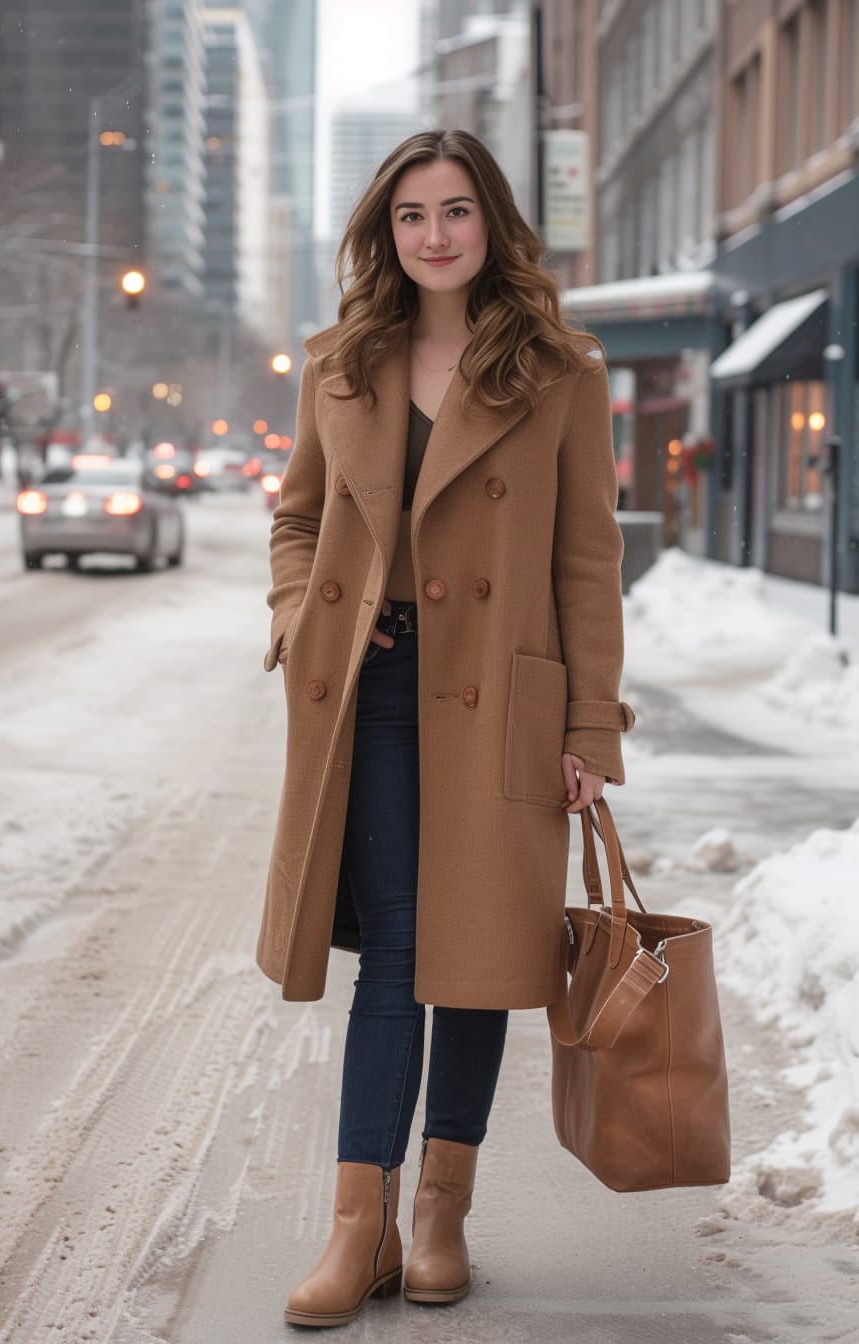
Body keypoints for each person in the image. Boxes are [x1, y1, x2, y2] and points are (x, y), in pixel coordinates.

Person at [258, 129, 635, 1329]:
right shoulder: (338, 364)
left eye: (456, 210)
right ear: (386, 231)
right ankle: (355, 1225)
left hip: (502, 690)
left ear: (492, 225)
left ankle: (440, 1215)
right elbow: (295, 521)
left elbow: (588, 563)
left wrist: (588, 723)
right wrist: (298, 618)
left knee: (478, 958)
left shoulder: (561, 370)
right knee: (406, 954)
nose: (434, 233)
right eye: (412, 213)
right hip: (371, 690)